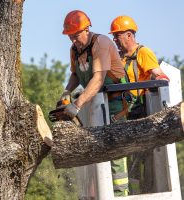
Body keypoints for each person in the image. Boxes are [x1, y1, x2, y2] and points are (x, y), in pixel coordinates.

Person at [59, 10, 129, 196]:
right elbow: (76, 75)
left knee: (115, 149)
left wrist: (76, 105)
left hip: (115, 103)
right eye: (70, 36)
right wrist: (67, 92)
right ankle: (94, 194)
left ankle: (121, 194)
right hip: (94, 101)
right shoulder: (74, 50)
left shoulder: (101, 43)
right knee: (92, 147)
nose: (73, 40)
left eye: (76, 35)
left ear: (87, 29)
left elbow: (98, 79)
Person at [109, 15, 169, 194]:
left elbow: (161, 76)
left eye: (117, 36)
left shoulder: (143, 53)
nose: (115, 40)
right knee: (126, 161)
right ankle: (132, 194)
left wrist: (155, 84)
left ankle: (143, 193)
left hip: (140, 114)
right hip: (122, 116)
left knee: (141, 160)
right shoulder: (119, 58)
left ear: (129, 35)